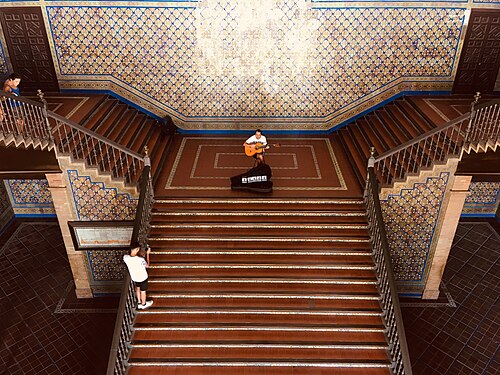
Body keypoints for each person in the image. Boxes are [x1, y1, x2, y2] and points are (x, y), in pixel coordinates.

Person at [123, 244, 154, 310]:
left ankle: (139, 303)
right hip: (142, 277)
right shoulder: (140, 259)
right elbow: (147, 265)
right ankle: (144, 304)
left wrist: (139, 255)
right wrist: (148, 254)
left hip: (135, 277)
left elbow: (132, 258)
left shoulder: (125, 257)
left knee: (138, 288)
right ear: (137, 250)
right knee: (143, 291)